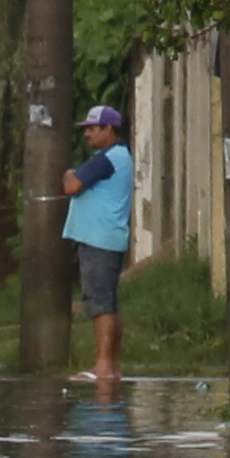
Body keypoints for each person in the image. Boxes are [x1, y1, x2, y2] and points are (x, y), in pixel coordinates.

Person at [61, 104, 132, 383]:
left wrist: (68, 173)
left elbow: (72, 186)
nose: (87, 134)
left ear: (109, 129)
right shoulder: (117, 156)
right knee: (107, 303)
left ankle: (102, 366)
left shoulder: (108, 158)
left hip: (99, 239)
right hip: (105, 238)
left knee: (100, 303)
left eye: (92, 128)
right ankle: (112, 367)